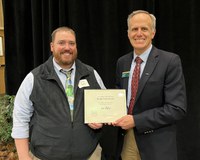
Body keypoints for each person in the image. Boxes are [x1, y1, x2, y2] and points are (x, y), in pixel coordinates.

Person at [11, 26, 105, 160]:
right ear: (52, 46)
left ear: (76, 46)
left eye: (71, 43)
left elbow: (105, 106)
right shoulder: (34, 78)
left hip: (90, 155)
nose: (67, 47)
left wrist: (101, 118)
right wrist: (24, 157)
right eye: (61, 43)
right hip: (44, 156)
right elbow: (20, 118)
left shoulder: (91, 74)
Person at [112, 10, 187, 160]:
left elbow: (176, 108)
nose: (139, 33)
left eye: (144, 29)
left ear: (153, 33)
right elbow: (118, 95)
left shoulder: (170, 61)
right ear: (128, 33)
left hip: (157, 145)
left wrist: (136, 120)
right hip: (127, 142)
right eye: (134, 29)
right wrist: (104, 112)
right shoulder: (122, 62)